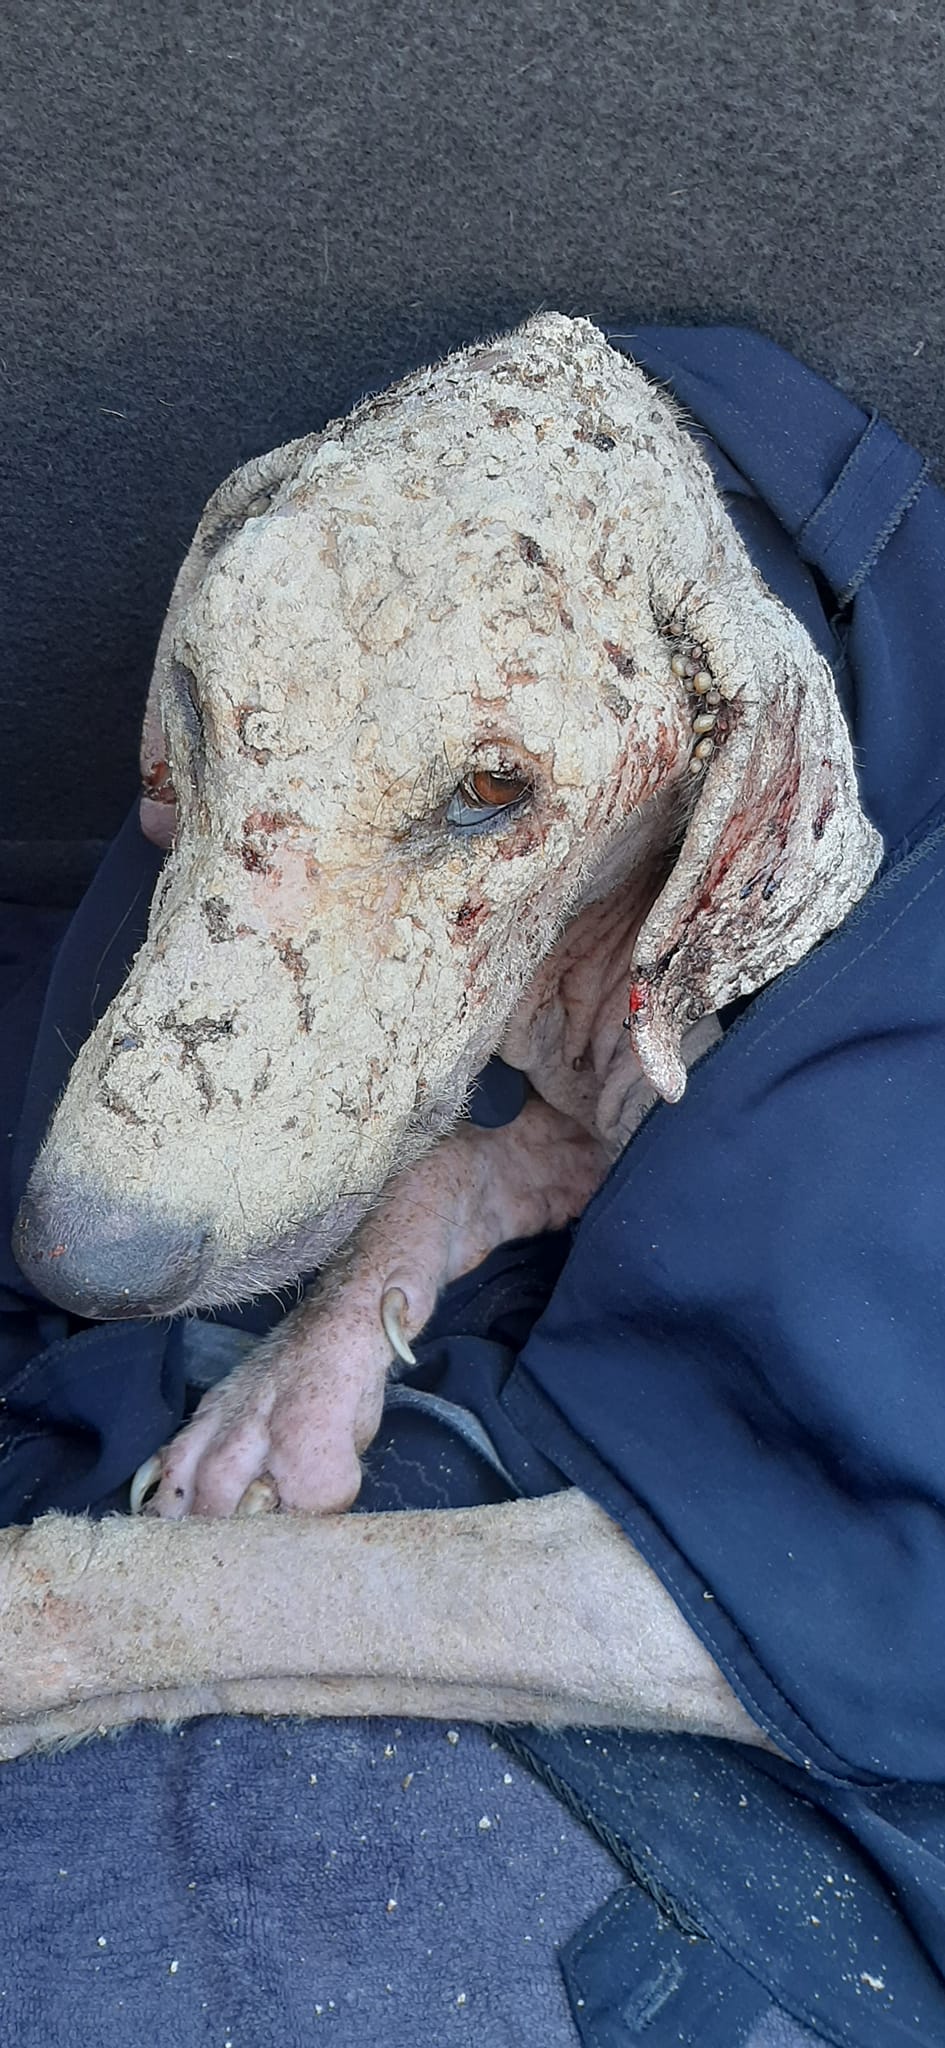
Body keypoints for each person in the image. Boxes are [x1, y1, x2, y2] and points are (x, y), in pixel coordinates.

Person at [2, 324, 944, 2046]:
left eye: (488, 787)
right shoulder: (315, 575)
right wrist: (376, 1282)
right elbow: (585, 1113)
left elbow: (861, 1588)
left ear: (746, 808)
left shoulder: (782, 830)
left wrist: (73, 1627)